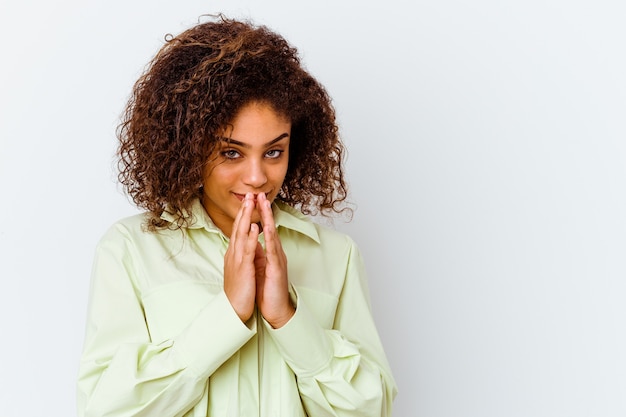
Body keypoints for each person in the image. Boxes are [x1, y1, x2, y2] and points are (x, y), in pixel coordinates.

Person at [77, 15, 397, 417]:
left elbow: (371, 408)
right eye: (231, 152)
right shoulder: (130, 250)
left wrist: (287, 318)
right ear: (188, 148)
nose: (257, 177)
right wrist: (226, 314)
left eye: (274, 151)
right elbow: (105, 409)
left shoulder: (336, 256)